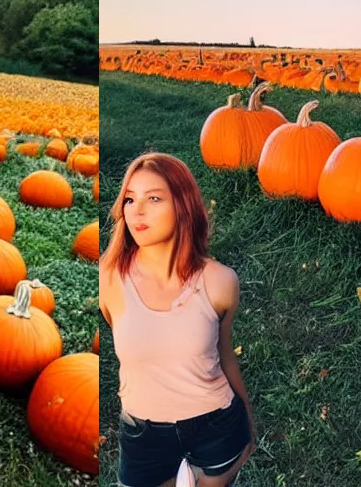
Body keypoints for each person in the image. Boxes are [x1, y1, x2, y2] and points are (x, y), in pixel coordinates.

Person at [100, 153, 255, 486]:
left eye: (153, 198)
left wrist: (248, 427)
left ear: (182, 205)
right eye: (129, 199)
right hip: (144, 438)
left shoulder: (221, 281)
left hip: (216, 426)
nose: (136, 211)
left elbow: (224, 355)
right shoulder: (108, 280)